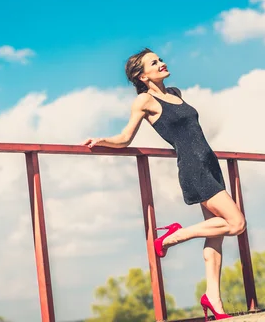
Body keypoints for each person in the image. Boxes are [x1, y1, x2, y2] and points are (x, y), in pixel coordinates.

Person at [82, 48, 246, 321]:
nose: (162, 63)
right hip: (194, 169)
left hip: (211, 164)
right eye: (154, 62)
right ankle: (172, 236)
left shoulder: (176, 93)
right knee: (236, 223)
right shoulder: (144, 101)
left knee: (215, 237)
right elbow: (125, 138)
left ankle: (213, 300)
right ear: (141, 76)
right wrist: (102, 141)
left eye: (160, 59)